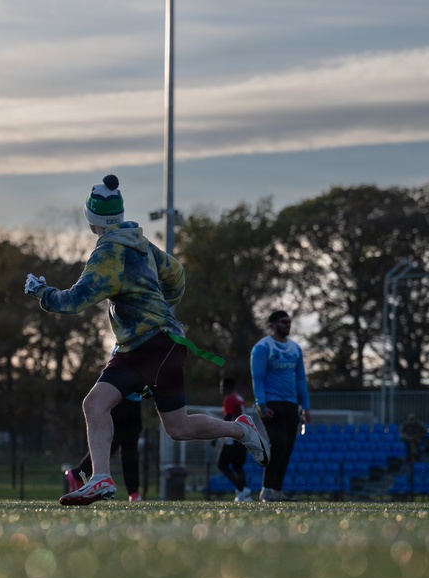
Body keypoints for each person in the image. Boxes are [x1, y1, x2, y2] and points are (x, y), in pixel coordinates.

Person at [24, 174, 270, 506]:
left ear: (91, 218)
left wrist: (42, 292)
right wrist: (164, 304)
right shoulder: (142, 243)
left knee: (176, 427)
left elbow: (72, 302)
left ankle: (240, 430)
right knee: (99, 406)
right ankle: (100, 479)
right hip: (138, 346)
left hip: (157, 344)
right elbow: (177, 274)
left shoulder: (108, 253)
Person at [250, 309, 311, 502]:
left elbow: (300, 379)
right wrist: (261, 404)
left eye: (289, 321)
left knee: (288, 447)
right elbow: (257, 379)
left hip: (291, 403)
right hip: (271, 403)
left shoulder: (295, 349)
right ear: (272, 325)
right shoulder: (262, 347)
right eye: (284, 321)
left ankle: (276, 491)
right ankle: (266, 490)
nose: (288, 324)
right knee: (278, 444)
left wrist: (306, 406)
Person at [65, 392, 145, 501]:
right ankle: (77, 474)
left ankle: (134, 492)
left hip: (136, 401)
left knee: (131, 448)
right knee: (109, 444)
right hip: (118, 399)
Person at [217, 377, 253, 502]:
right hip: (245, 436)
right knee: (238, 466)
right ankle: (245, 495)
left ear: (228, 387)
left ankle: (241, 489)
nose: (221, 389)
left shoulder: (229, 399)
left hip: (234, 436)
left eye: (222, 386)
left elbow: (228, 416)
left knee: (221, 464)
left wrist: (217, 435)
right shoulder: (239, 398)